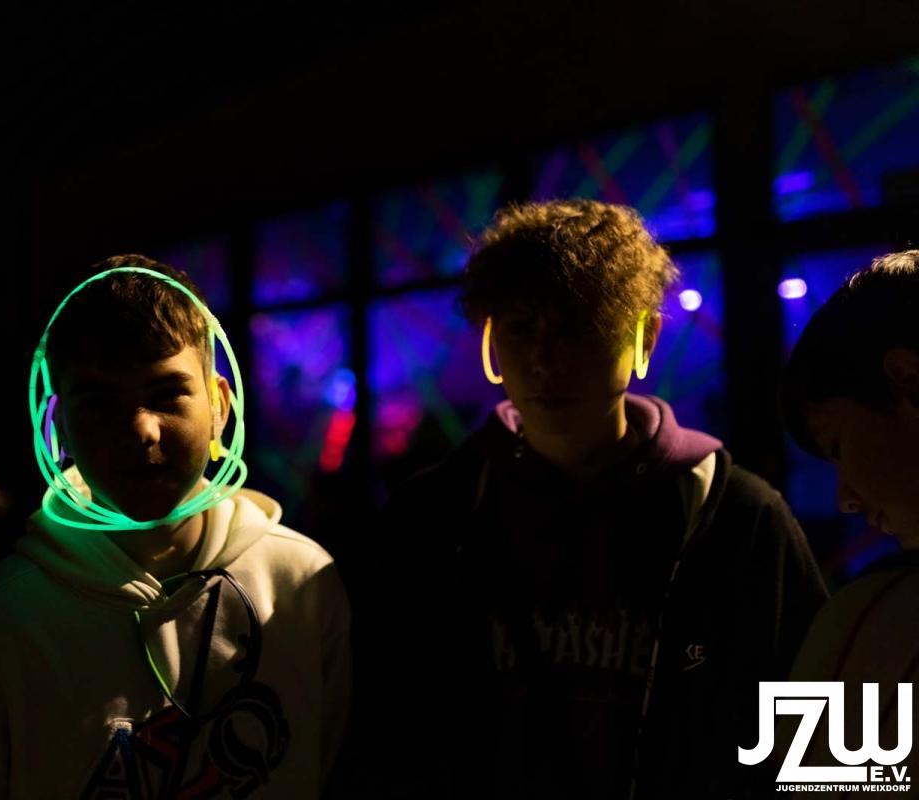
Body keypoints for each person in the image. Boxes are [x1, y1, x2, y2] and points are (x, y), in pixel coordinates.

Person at [367, 200, 827, 799]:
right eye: (520, 327)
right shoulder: (434, 513)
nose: (546, 357)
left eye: (579, 326)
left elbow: (825, 740)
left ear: (645, 336)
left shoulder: (738, 517)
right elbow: (384, 729)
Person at [0, 255, 351, 799]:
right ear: (59, 425)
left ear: (220, 406)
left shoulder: (302, 584)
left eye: (167, 393)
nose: (141, 429)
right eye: (100, 402)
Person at [777, 249, 919, 778]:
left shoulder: (870, 620)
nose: (846, 499)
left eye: (836, 446)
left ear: (908, 380)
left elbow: (818, 785)